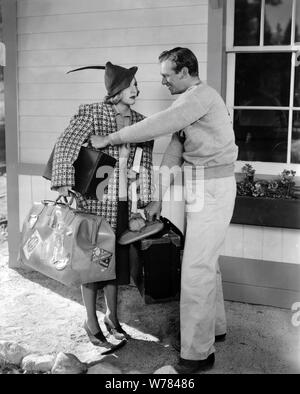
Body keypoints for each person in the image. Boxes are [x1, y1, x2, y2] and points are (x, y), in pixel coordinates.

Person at [90, 47, 238, 372]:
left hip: (213, 188)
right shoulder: (188, 104)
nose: (163, 82)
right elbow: (174, 151)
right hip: (201, 186)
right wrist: (158, 198)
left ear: (185, 72)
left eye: (167, 76)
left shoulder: (200, 97)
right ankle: (214, 330)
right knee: (205, 263)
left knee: (196, 269)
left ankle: (198, 356)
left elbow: (155, 126)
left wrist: (110, 139)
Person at [50, 61, 153, 352]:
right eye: (131, 84)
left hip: (121, 203)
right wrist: (63, 183)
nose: (137, 89)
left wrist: (143, 201)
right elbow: (66, 145)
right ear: (117, 89)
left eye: (136, 84)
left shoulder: (142, 121)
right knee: (93, 263)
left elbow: (144, 163)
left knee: (116, 263)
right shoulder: (93, 113)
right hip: (93, 203)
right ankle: (91, 322)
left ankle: (112, 317)